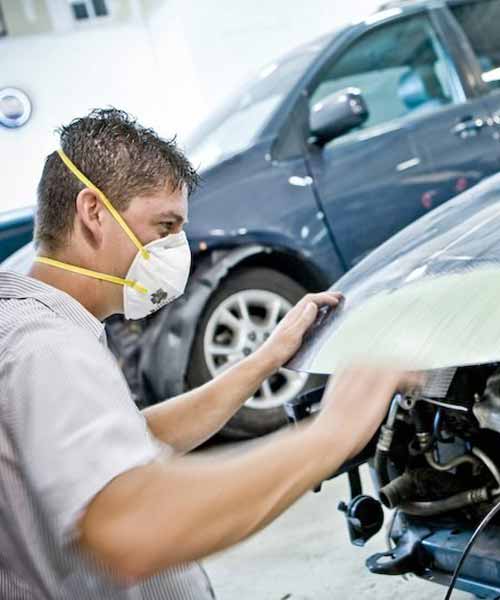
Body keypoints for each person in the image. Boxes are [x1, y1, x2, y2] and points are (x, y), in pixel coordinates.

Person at [0, 108, 417, 599]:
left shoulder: (29, 324)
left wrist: (265, 358)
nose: (177, 251)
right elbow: (131, 528)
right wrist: (330, 436)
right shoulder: (48, 350)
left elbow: (135, 439)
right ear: (93, 212)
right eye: (164, 226)